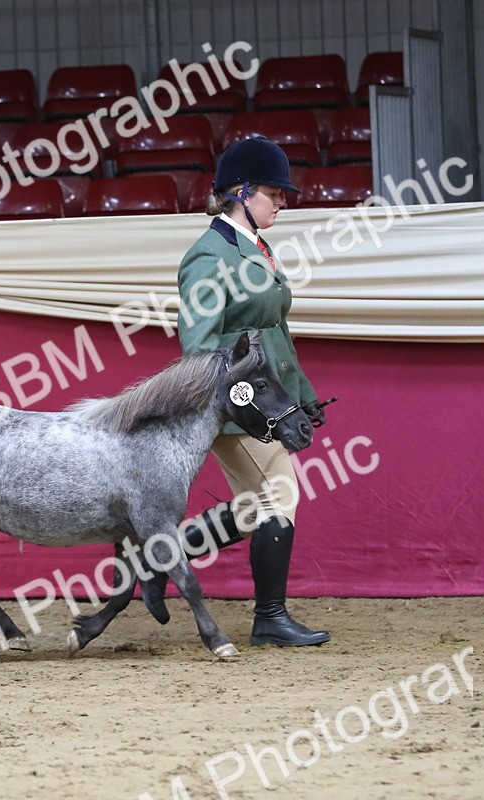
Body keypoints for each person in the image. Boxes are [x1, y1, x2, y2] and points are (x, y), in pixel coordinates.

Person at [139, 135, 331, 648]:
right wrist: (229, 405)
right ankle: (269, 618)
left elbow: (275, 333)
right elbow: (199, 348)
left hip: (267, 399)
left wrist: (301, 395)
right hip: (235, 407)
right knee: (279, 497)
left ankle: (159, 556)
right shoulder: (208, 257)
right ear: (241, 192)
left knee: (255, 508)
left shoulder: (257, 247)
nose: (283, 202)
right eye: (274, 192)